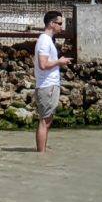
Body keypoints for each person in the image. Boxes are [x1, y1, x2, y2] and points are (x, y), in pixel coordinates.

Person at [32, 9, 65, 153]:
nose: (61, 26)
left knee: (47, 120)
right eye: (59, 23)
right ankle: (41, 154)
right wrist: (59, 62)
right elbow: (43, 64)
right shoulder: (45, 40)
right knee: (45, 121)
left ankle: (42, 151)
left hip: (48, 85)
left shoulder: (46, 40)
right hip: (47, 86)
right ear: (51, 24)